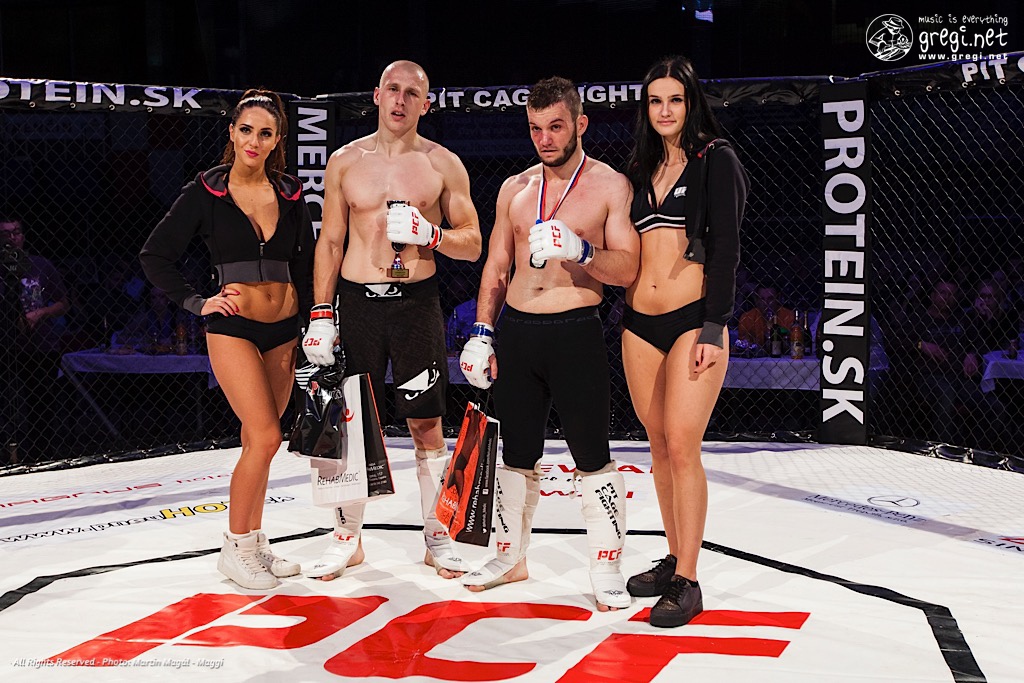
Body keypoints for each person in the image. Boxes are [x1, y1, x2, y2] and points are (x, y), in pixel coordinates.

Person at [458, 76, 640, 611]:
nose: (545, 138)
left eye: (556, 126)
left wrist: (582, 250)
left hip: (575, 331)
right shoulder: (514, 189)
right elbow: (497, 265)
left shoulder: (609, 186)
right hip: (518, 332)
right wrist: (482, 331)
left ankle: (606, 565)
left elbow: (628, 268)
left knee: (592, 454)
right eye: (536, 128)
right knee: (516, 454)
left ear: (580, 123)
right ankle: (509, 556)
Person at [301, 60, 482, 581]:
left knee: (427, 423)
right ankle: (346, 538)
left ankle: (438, 536)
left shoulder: (443, 164)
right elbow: (330, 240)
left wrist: (433, 235)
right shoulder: (344, 161)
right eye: (393, 90)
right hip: (357, 302)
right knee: (348, 420)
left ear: (427, 103)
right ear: (377, 95)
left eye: (412, 93)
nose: (401, 100)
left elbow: (473, 243)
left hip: (415, 305)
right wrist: (321, 312)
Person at [140, 89, 314, 590]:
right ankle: (235, 547)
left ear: (278, 140)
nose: (254, 141)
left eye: (265, 133)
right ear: (232, 133)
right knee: (267, 436)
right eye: (246, 130)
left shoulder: (291, 193)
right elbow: (155, 255)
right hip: (233, 327)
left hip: (285, 330)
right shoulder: (205, 191)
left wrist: (314, 321)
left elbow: (304, 263)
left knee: (259, 442)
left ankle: (254, 543)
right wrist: (197, 302)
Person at [620, 56, 748, 627]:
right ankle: (674, 558)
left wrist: (716, 325)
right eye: (655, 101)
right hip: (638, 324)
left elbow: (727, 250)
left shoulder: (716, 159)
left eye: (675, 99)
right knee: (656, 444)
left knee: (681, 443)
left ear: (691, 102)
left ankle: (689, 581)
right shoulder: (640, 168)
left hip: (694, 319)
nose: (665, 110)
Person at [0, 217, 71, 462]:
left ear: (23, 236)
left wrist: (40, 313)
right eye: (6, 234)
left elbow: (63, 303)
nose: (12, 238)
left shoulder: (40, 265)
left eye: (16, 232)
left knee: (41, 406)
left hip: (40, 346)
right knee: (8, 407)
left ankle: (41, 457)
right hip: (7, 346)